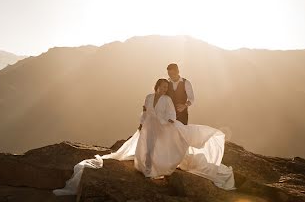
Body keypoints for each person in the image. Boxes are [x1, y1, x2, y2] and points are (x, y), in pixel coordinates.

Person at [53, 79, 234, 195]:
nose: (164, 90)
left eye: (166, 88)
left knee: (158, 147)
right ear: (156, 87)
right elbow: (146, 111)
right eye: (162, 87)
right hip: (149, 126)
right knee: (146, 146)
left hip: (162, 126)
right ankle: (146, 168)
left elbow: (171, 112)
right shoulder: (148, 97)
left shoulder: (167, 100)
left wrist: (170, 120)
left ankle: (150, 171)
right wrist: (140, 124)